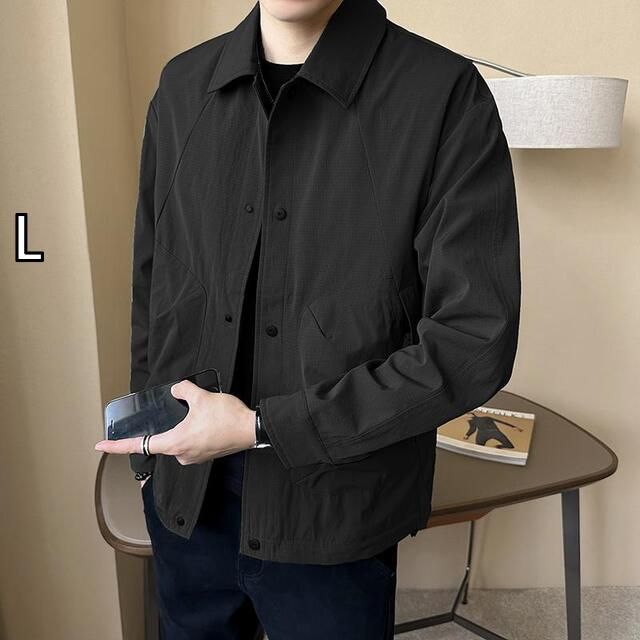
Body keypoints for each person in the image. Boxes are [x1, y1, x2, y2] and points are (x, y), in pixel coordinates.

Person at [94, 0, 521, 637]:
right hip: (187, 499)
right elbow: (155, 285)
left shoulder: (442, 94)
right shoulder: (182, 86)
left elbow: (473, 339)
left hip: (336, 517)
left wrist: (264, 427)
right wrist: (147, 454)